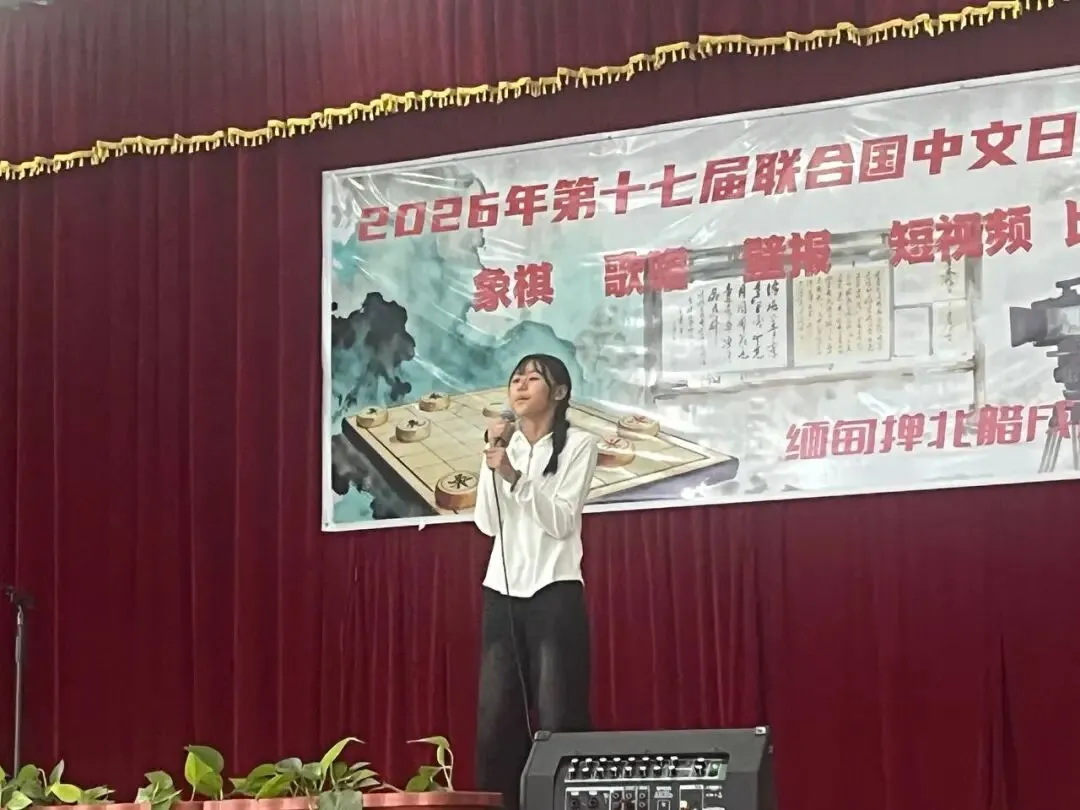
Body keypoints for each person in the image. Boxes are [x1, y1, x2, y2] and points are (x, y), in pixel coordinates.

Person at [472, 354, 599, 810]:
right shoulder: (501, 446)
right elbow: (488, 523)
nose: (520, 386)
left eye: (533, 379)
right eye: (516, 379)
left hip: (554, 591)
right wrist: (495, 460)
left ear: (559, 393)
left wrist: (515, 477)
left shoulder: (579, 444)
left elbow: (562, 521)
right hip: (501, 593)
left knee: (558, 716)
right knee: (495, 723)